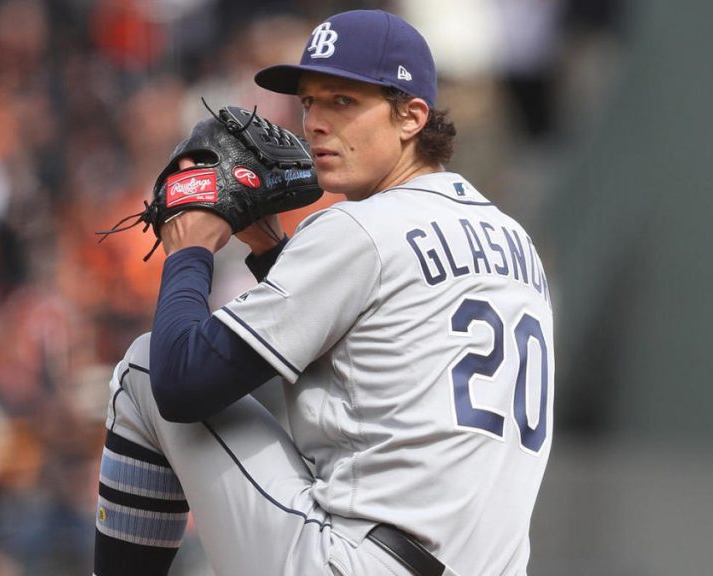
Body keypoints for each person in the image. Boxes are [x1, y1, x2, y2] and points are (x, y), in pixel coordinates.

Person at [93, 9, 554, 576]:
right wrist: (269, 253)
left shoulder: (357, 228)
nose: (314, 122)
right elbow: (371, 350)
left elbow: (182, 385)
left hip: (359, 564)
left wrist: (189, 252)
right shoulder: (516, 242)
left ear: (411, 116)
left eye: (343, 102)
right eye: (309, 101)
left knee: (141, 370)